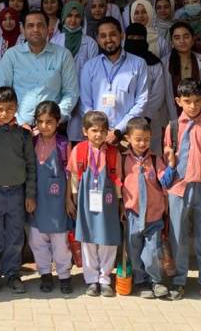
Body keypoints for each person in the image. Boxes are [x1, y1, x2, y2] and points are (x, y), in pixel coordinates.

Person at [160, 79, 201, 303]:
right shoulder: (173, 127)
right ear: (178, 101)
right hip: (178, 189)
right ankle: (178, 280)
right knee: (178, 235)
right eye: (187, 101)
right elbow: (167, 157)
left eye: (197, 101)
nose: (193, 106)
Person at [0, 87, 37, 294]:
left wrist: (30, 194)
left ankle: (13, 273)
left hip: (17, 194)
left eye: (10, 109)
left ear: (17, 108)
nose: (5, 114)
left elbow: (31, 166)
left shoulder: (23, 135)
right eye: (0, 109)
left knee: (14, 237)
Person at [68, 111, 122, 297]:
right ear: (85, 131)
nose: (98, 134)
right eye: (94, 130)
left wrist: (120, 202)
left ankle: (105, 278)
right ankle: (91, 279)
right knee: (88, 239)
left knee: (108, 239)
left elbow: (118, 179)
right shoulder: (79, 151)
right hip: (86, 200)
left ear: (108, 132)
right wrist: (73, 199)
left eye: (102, 131)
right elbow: (74, 177)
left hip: (108, 201)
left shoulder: (114, 153)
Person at [0, 10, 79, 126]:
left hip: (53, 129)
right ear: (22, 30)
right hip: (17, 127)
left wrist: (55, 119)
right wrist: (16, 120)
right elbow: (1, 92)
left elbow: (71, 92)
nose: (35, 29)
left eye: (40, 25)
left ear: (48, 28)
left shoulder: (63, 55)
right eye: (30, 26)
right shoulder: (12, 55)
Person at [120, 117, 169, 299]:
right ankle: (140, 282)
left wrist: (171, 164)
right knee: (134, 250)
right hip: (132, 214)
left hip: (153, 215)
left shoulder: (155, 160)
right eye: (138, 139)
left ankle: (155, 281)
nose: (142, 143)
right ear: (129, 138)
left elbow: (165, 180)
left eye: (146, 139)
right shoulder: (124, 160)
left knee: (153, 251)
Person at [28, 101, 74, 294]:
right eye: (40, 121)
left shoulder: (64, 144)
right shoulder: (31, 142)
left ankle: (64, 275)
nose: (45, 126)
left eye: (49, 121)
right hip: (37, 202)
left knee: (60, 243)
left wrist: (69, 200)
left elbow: (70, 175)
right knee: (37, 241)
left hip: (58, 204)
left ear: (58, 122)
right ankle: (45, 274)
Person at [80, 17, 149, 145]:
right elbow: (85, 103)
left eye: (112, 34)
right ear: (98, 39)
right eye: (103, 36)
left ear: (121, 35)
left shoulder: (138, 64)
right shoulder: (89, 67)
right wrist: (99, 129)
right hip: (98, 137)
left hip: (127, 136)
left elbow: (142, 101)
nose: (108, 39)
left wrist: (118, 130)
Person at [51, 1, 98, 141]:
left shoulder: (90, 43)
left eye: (77, 16)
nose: (73, 20)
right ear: (64, 17)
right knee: (57, 134)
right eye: (69, 15)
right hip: (60, 94)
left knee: (77, 137)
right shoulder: (55, 41)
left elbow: (94, 74)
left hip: (83, 95)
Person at [124, 23, 167, 155]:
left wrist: (146, 117)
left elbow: (157, 94)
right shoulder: (120, 62)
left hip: (151, 119)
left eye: (139, 38)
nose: (135, 41)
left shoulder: (154, 63)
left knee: (152, 159)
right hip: (124, 121)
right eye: (131, 37)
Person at [163, 22, 201, 120]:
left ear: (193, 39)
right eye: (177, 38)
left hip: (199, 116)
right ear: (171, 42)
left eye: (186, 37)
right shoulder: (164, 64)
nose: (182, 41)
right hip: (173, 117)